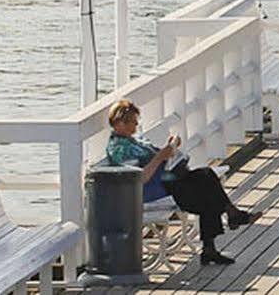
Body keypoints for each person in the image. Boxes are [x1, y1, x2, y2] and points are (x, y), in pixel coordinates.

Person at [106, 99, 256, 267]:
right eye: (132, 123)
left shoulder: (133, 141)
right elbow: (138, 179)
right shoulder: (119, 148)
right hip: (152, 191)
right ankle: (227, 220)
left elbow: (157, 159)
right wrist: (160, 156)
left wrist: (172, 148)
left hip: (167, 181)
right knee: (206, 187)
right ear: (119, 123)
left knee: (205, 178)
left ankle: (219, 234)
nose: (135, 127)